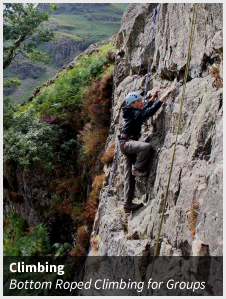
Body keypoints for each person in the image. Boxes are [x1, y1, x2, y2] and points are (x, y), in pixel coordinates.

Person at [119, 87, 175, 213]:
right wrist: (163, 97)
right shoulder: (133, 112)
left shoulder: (131, 112)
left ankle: (127, 204)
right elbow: (148, 112)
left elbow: (143, 111)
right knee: (146, 147)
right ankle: (138, 168)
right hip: (127, 143)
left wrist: (153, 99)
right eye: (139, 101)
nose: (141, 102)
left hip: (126, 143)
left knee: (129, 177)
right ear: (132, 104)